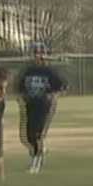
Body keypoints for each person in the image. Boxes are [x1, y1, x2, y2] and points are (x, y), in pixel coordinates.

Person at [17, 41, 68, 173]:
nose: (37, 56)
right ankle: (38, 151)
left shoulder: (49, 71)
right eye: (35, 53)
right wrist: (21, 97)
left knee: (37, 134)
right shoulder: (27, 71)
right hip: (30, 106)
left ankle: (36, 162)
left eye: (40, 53)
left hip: (44, 106)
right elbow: (20, 88)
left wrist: (54, 96)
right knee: (27, 137)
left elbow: (62, 87)